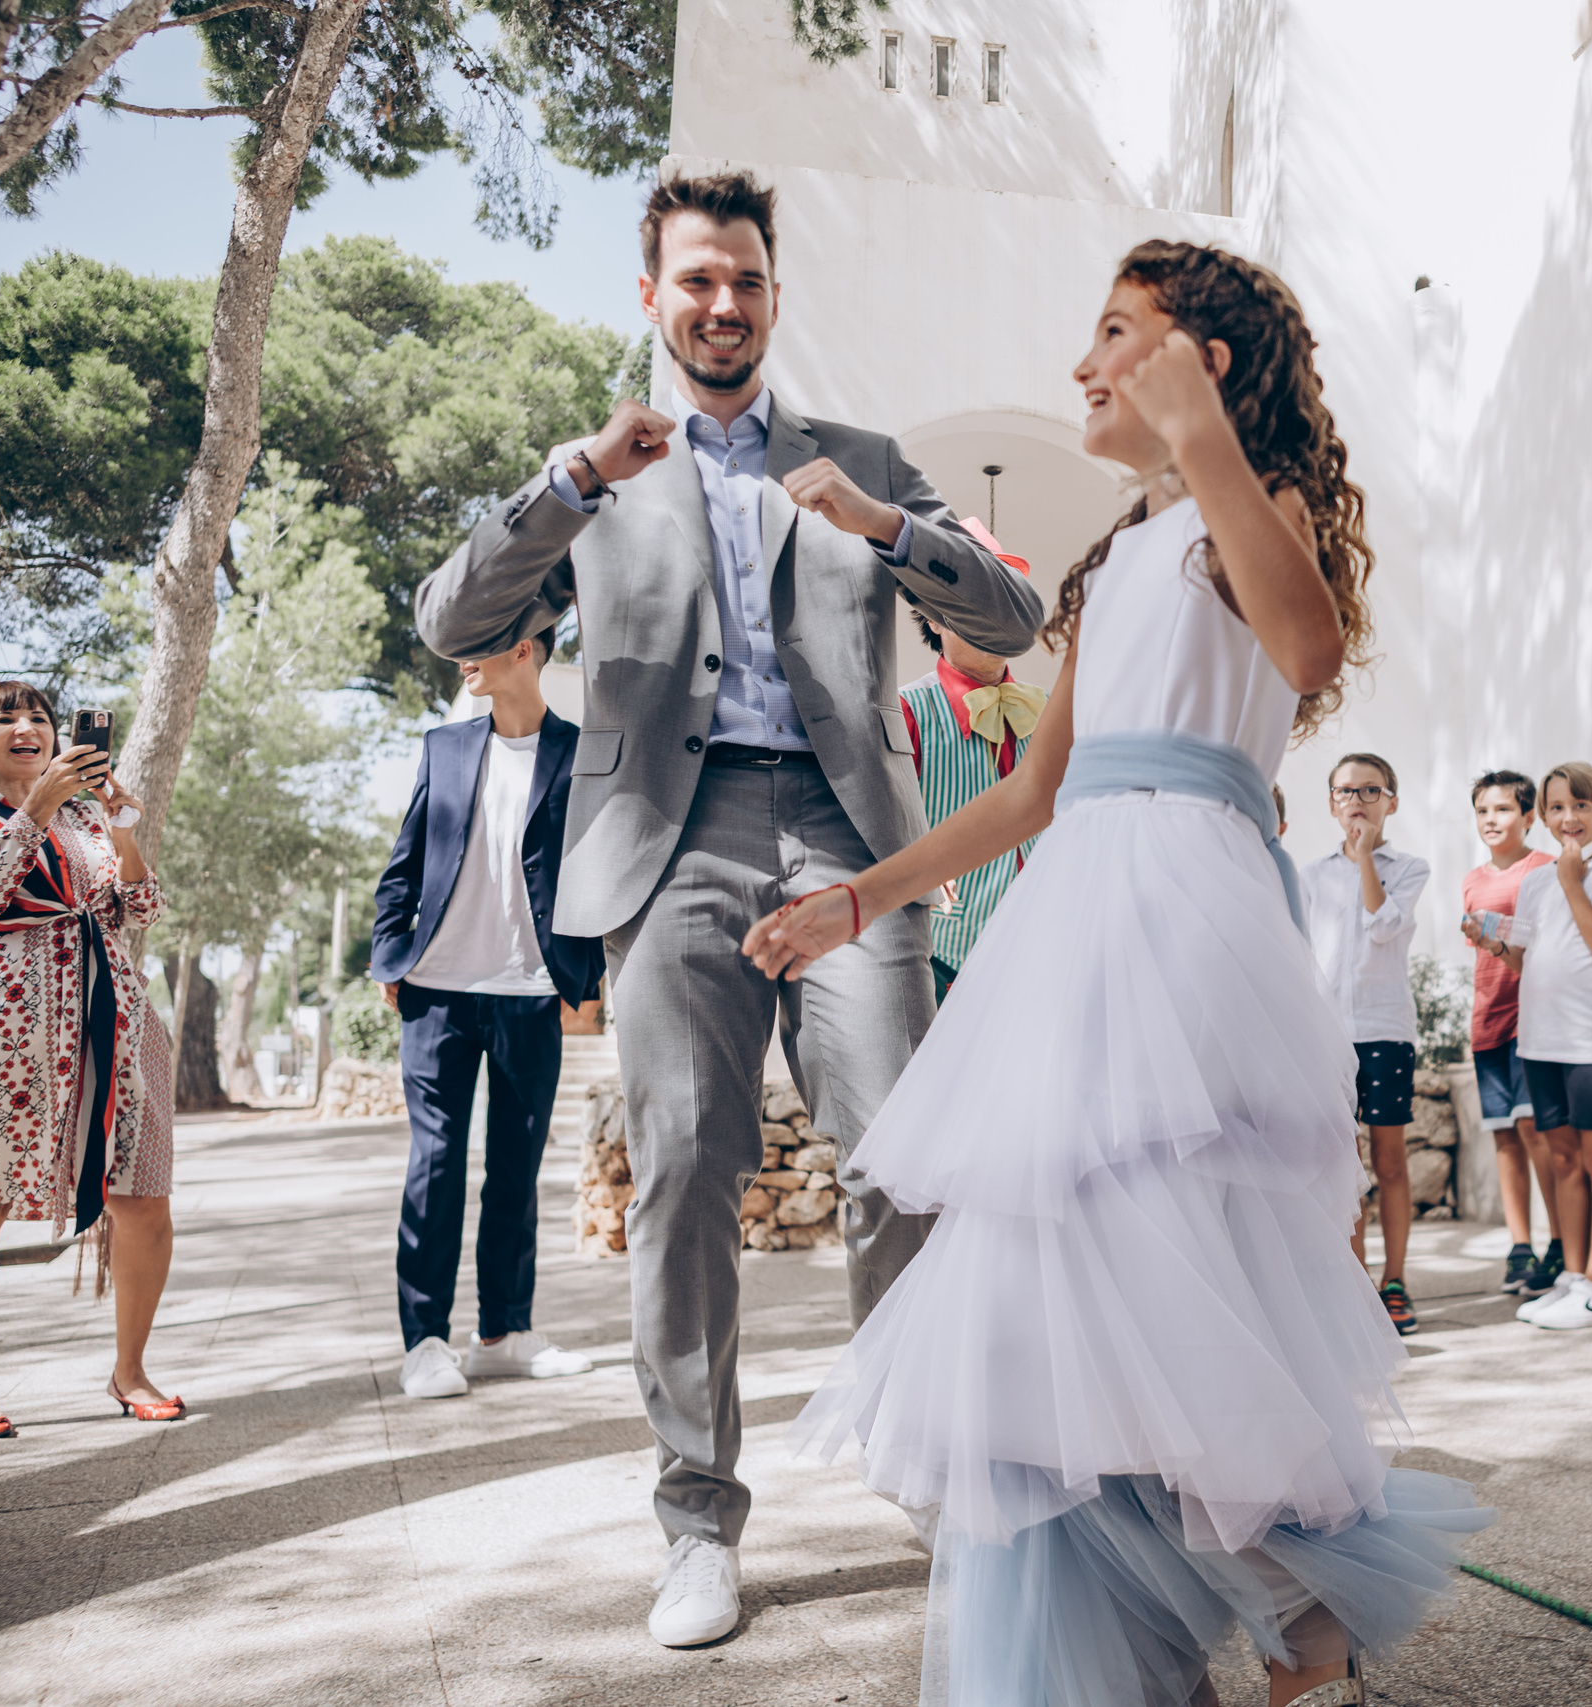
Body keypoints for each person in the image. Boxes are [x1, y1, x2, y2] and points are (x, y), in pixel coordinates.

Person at [744, 240, 1490, 1707]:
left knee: (1177, 1258)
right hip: (1070, 913)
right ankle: (1131, 1646)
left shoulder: (1245, 514)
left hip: (1185, 920)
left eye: (1116, 334)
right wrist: (864, 896)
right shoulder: (1116, 562)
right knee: (1051, 1292)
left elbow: (1305, 637)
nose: (1083, 365)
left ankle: (1299, 1599)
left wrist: (1208, 444)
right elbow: (1031, 794)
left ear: (1203, 363)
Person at [414, 170, 1042, 1649]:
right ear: (654, 295)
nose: (723, 303)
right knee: (685, 1168)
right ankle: (695, 1514)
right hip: (664, 840)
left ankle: (926, 1459)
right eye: (696, 279)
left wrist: (885, 522)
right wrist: (572, 479)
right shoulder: (599, 472)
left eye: (747, 279)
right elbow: (449, 621)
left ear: (773, 294)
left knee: (905, 1151)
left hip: (848, 834)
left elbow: (1010, 622)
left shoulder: (862, 454)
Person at [0, 681, 178, 1438]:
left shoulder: (86, 818)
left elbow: (142, 908)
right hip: (9, 1022)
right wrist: (35, 808)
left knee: (142, 1192)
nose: (26, 726)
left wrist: (116, 820)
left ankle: (130, 1370)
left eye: (39, 716)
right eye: (6, 716)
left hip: (115, 1016)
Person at [370, 629, 606, 1399]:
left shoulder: (581, 750)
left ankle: (504, 1330)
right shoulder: (444, 746)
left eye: (479, 645)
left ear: (527, 651)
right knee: (436, 1164)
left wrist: (592, 967)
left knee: (515, 1168)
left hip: (531, 991)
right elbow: (405, 862)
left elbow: (608, 860)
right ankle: (425, 1339)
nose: (462, 660)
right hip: (438, 988)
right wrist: (388, 955)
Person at [1501, 762, 1592, 1333]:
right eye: (1557, 807)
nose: (1569, 817)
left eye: (1580, 806)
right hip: (1539, 1037)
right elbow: (1525, 958)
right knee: (1561, 1159)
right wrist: (1493, 943)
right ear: (1544, 818)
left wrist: (1572, 882)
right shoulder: (1534, 879)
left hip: (1589, 1038)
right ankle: (1573, 1278)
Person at [1303, 751, 1430, 1335]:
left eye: (1369, 791)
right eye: (1345, 792)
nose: (1356, 801)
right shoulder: (1310, 875)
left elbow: (1383, 925)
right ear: (1330, 803)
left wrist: (1363, 861)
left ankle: (1395, 1280)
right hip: (1328, 1035)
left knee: (1389, 1159)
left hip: (1383, 1031)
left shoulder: (1409, 867)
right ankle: (1355, 1284)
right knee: (1343, 1165)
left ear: (1392, 802)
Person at [900, 567, 1046, 1003]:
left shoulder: (1051, 710)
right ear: (934, 618)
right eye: (971, 605)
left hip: (1050, 943)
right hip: (948, 958)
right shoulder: (907, 712)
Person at [1456, 770, 1555, 1296]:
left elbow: (1547, 940)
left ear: (1529, 816)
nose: (1491, 820)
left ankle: (1558, 1241)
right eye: (1482, 811)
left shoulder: (1545, 868)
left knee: (1534, 1130)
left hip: (1533, 1016)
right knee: (1503, 1134)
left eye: (1503, 809)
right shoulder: (1471, 880)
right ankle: (1521, 1246)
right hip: (1488, 1017)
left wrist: (1497, 934)